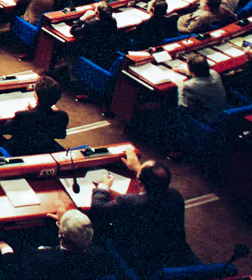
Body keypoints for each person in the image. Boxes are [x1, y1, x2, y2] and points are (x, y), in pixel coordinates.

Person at [89, 148, 193, 276]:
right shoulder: (175, 196)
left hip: (140, 262)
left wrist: (103, 186)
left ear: (139, 183)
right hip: (172, 255)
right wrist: (138, 168)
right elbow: (158, 184)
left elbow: (97, 210)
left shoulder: (129, 202)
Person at [13, 208, 120, 280]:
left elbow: (17, 272)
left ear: (61, 234)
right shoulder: (101, 256)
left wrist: (5, 250)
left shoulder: (41, 258)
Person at [1, 75, 69, 155]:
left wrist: (28, 112)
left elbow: (6, 130)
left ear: (36, 95)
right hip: (46, 149)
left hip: (21, 151)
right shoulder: (62, 116)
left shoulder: (23, 116)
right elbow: (61, 135)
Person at [175, 53, 227, 123]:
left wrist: (180, 86)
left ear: (191, 69)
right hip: (223, 113)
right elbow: (201, 71)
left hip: (208, 119)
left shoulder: (189, 86)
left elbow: (183, 109)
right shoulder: (214, 74)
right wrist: (187, 71)